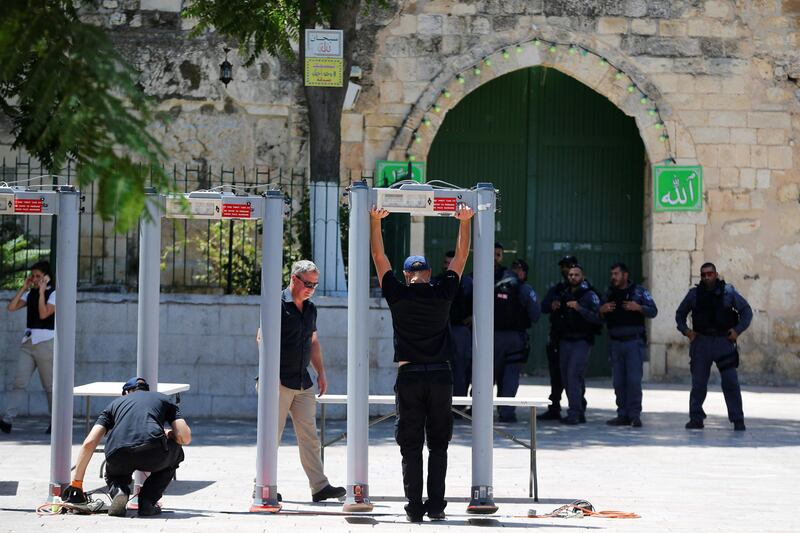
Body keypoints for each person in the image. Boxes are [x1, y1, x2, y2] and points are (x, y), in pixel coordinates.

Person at [369, 203, 473, 522]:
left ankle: (415, 508)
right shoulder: (442, 292)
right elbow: (461, 256)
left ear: (405, 274)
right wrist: (465, 222)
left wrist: (375, 222)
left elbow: (379, 258)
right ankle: (437, 507)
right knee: (438, 444)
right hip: (441, 376)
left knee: (411, 445)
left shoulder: (398, 295)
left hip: (410, 375)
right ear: (428, 273)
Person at [256, 260, 345, 502]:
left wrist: (321, 372)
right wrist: (269, 375)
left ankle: (319, 487)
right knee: (270, 436)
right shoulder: (276, 304)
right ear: (294, 279)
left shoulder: (311, 308)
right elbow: (261, 338)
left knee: (310, 437)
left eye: (315, 285)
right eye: (308, 284)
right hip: (278, 381)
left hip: (303, 382)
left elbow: (313, 341)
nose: (311, 289)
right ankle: (262, 485)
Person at [61, 377, 191, 517]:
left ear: (125, 393)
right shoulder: (163, 399)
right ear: (147, 391)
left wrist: (77, 483)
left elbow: (89, 443)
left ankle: (119, 490)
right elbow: (185, 437)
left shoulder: (113, 405)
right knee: (176, 451)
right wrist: (170, 434)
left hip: (118, 452)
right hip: (152, 450)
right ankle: (147, 501)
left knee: (115, 473)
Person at [675, 262, 753, 431]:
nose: (706, 277)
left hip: (723, 342)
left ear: (716, 274)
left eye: (710, 274)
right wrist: (687, 331)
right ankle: (696, 418)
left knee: (731, 382)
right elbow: (680, 314)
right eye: (703, 275)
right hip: (701, 342)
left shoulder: (728, 292)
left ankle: (737, 419)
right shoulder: (694, 294)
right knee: (698, 384)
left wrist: (737, 330)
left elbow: (746, 311)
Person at [599, 263, 658, 428]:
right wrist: (602, 310)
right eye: (612, 274)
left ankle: (634, 415)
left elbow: (653, 311)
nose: (613, 277)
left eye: (616, 274)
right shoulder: (609, 293)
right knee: (618, 381)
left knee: (633, 380)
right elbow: (598, 314)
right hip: (616, 343)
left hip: (633, 342)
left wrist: (639, 307)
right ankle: (622, 414)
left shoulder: (639, 292)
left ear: (625, 275)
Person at [1, 261, 56, 434]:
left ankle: (55, 421)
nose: (35, 279)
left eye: (38, 276)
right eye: (33, 276)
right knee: (19, 382)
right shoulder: (30, 293)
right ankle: (7, 420)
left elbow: (44, 313)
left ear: (46, 277)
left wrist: (41, 292)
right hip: (29, 342)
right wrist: (24, 287)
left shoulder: (54, 293)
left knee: (49, 385)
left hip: (46, 342)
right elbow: (11, 307)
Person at [493, 259, 540, 422]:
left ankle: (477, 410)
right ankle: (506, 413)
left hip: (492, 338)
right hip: (515, 339)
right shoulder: (526, 289)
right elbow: (535, 316)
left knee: (487, 375)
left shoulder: (494, 284)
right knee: (511, 375)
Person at [553, 265, 602, 425]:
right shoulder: (563, 293)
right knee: (566, 377)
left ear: (583, 276)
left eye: (576, 275)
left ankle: (574, 412)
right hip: (565, 340)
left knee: (573, 375)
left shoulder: (589, 295)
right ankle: (577, 410)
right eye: (570, 275)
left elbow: (597, 318)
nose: (573, 277)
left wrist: (580, 308)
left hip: (581, 341)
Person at [538, 255, 583, 421]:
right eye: (564, 267)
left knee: (575, 376)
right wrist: (552, 305)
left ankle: (579, 409)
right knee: (557, 375)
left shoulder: (585, 290)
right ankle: (554, 407)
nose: (566, 270)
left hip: (578, 337)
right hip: (559, 337)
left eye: (569, 266)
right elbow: (543, 306)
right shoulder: (558, 289)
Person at [433, 251, 473, 401]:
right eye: (445, 263)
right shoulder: (437, 281)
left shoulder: (468, 283)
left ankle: (458, 404)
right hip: (441, 330)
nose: (447, 267)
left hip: (459, 330)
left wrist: (472, 317)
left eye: (450, 263)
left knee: (461, 368)